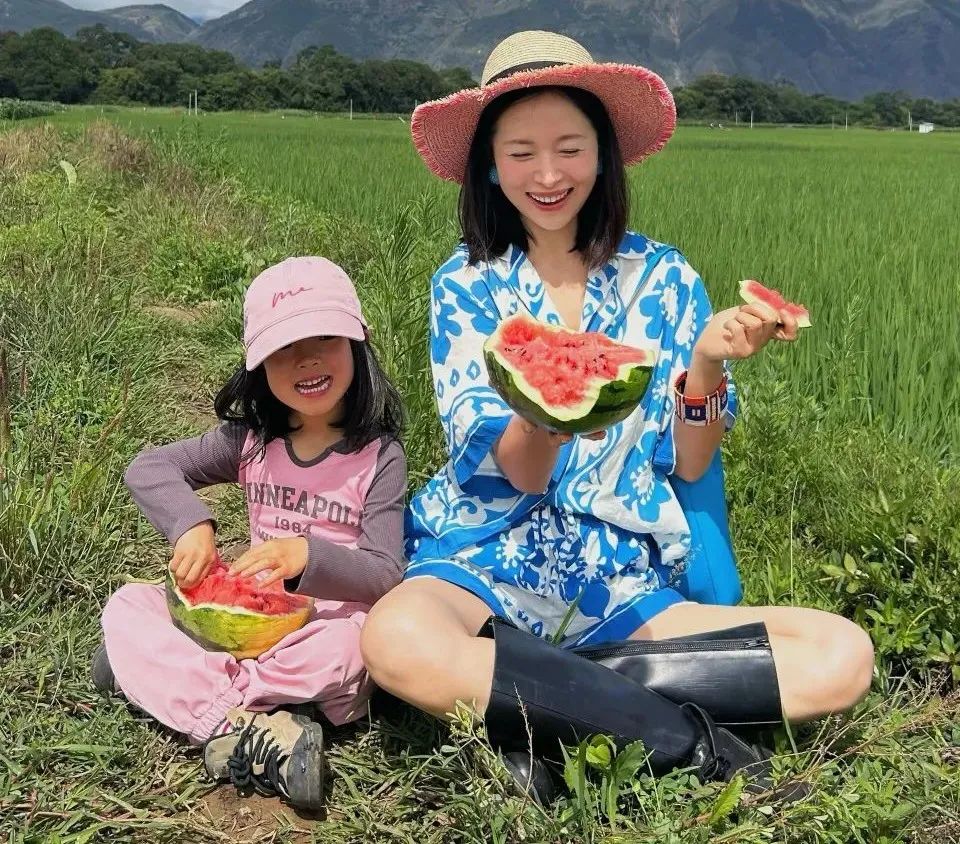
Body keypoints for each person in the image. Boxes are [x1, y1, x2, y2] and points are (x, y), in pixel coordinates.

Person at [360, 30, 874, 799]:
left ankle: (542, 710)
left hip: (620, 575)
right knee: (395, 640)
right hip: (485, 556)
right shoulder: (465, 284)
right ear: (490, 168)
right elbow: (517, 475)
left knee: (844, 655)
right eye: (521, 151)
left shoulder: (664, 277)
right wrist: (543, 408)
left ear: (601, 154)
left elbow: (691, 463)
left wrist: (704, 363)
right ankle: (692, 746)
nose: (547, 173)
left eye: (569, 147)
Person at [93, 256, 406, 812]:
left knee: (352, 649)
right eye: (283, 348)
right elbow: (149, 468)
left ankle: (183, 691)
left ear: (359, 343)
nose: (305, 359)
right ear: (258, 365)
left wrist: (310, 557)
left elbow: (385, 573)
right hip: (241, 628)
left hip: (324, 624)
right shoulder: (250, 439)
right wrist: (192, 525)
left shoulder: (379, 455)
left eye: (324, 339)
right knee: (127, 604)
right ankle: (261, 722)